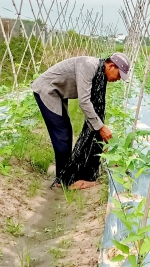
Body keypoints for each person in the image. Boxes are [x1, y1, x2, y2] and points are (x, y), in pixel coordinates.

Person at [31, 53, 130, 189]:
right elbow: (84, 102)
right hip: (47, 90)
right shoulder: (89, 66)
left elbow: (93, 107)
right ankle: (65, 180)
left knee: (66, 132)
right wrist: (100, 128)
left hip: (58, 92)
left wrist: (98, 130)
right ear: (111, 65)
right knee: (62, 135)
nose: (118, 79)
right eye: (119, 75)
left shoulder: (98, 70)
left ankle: (64, 176)